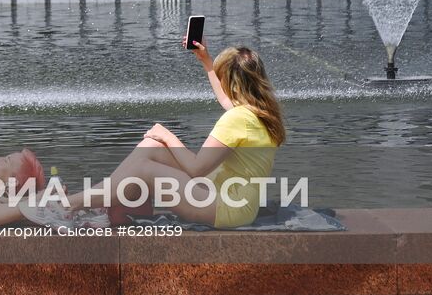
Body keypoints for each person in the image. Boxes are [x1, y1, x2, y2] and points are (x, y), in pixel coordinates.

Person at [83, 41, 285, 228]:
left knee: (144, 168)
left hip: (226, 208)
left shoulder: (237, 119)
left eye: (221, 75)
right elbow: (226, 99)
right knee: (151, 146)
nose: (219, 79)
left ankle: (69, 205)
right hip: (234, 201)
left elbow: (196, 169)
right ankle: (103, 198)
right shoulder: (257, 111)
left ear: (231, 82)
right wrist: (207, 61)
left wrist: (167, 135)